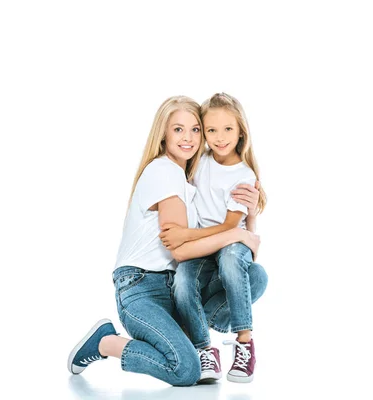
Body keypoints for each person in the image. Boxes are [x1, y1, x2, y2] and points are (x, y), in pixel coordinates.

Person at [67, 96, 260, 386]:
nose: (189, 138)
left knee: (254, 276)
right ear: (164, 134)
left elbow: (211, 242)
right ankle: (105, 342)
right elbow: (181, 251)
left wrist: (250, 217)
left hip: (172, 288)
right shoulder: (163, 171)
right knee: (185, 370)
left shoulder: (187, 179)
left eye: (195, 130)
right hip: (141, 287)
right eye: (178, 130)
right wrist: (234, 232)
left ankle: (192, 341)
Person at [161, 93, 267, 383]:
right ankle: (204, 349)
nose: (220, 138)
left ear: (241, 130)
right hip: (204, 247)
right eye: (211, 130)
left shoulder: (242, 175)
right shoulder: (200, 162)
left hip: (232, 242)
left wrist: (185, 235)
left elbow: (231, 227)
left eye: (228, 129)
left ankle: (245, 341)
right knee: (183, 282)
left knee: (233, 259)